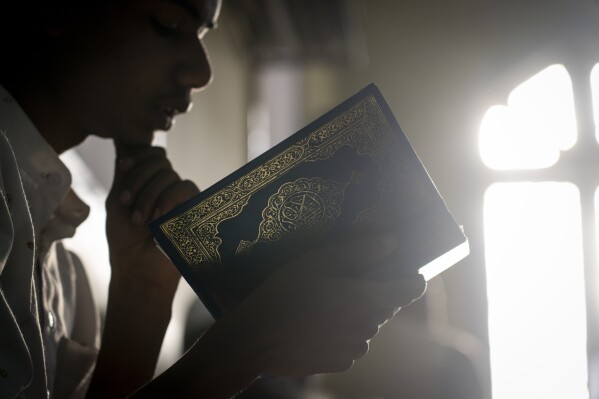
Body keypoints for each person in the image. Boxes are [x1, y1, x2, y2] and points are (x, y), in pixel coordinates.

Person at [0, 0, 427, 398]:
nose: (202, 73)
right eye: (168, 24)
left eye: (203, 35)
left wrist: (142, 294)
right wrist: (252, 342)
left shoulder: (56, 257)